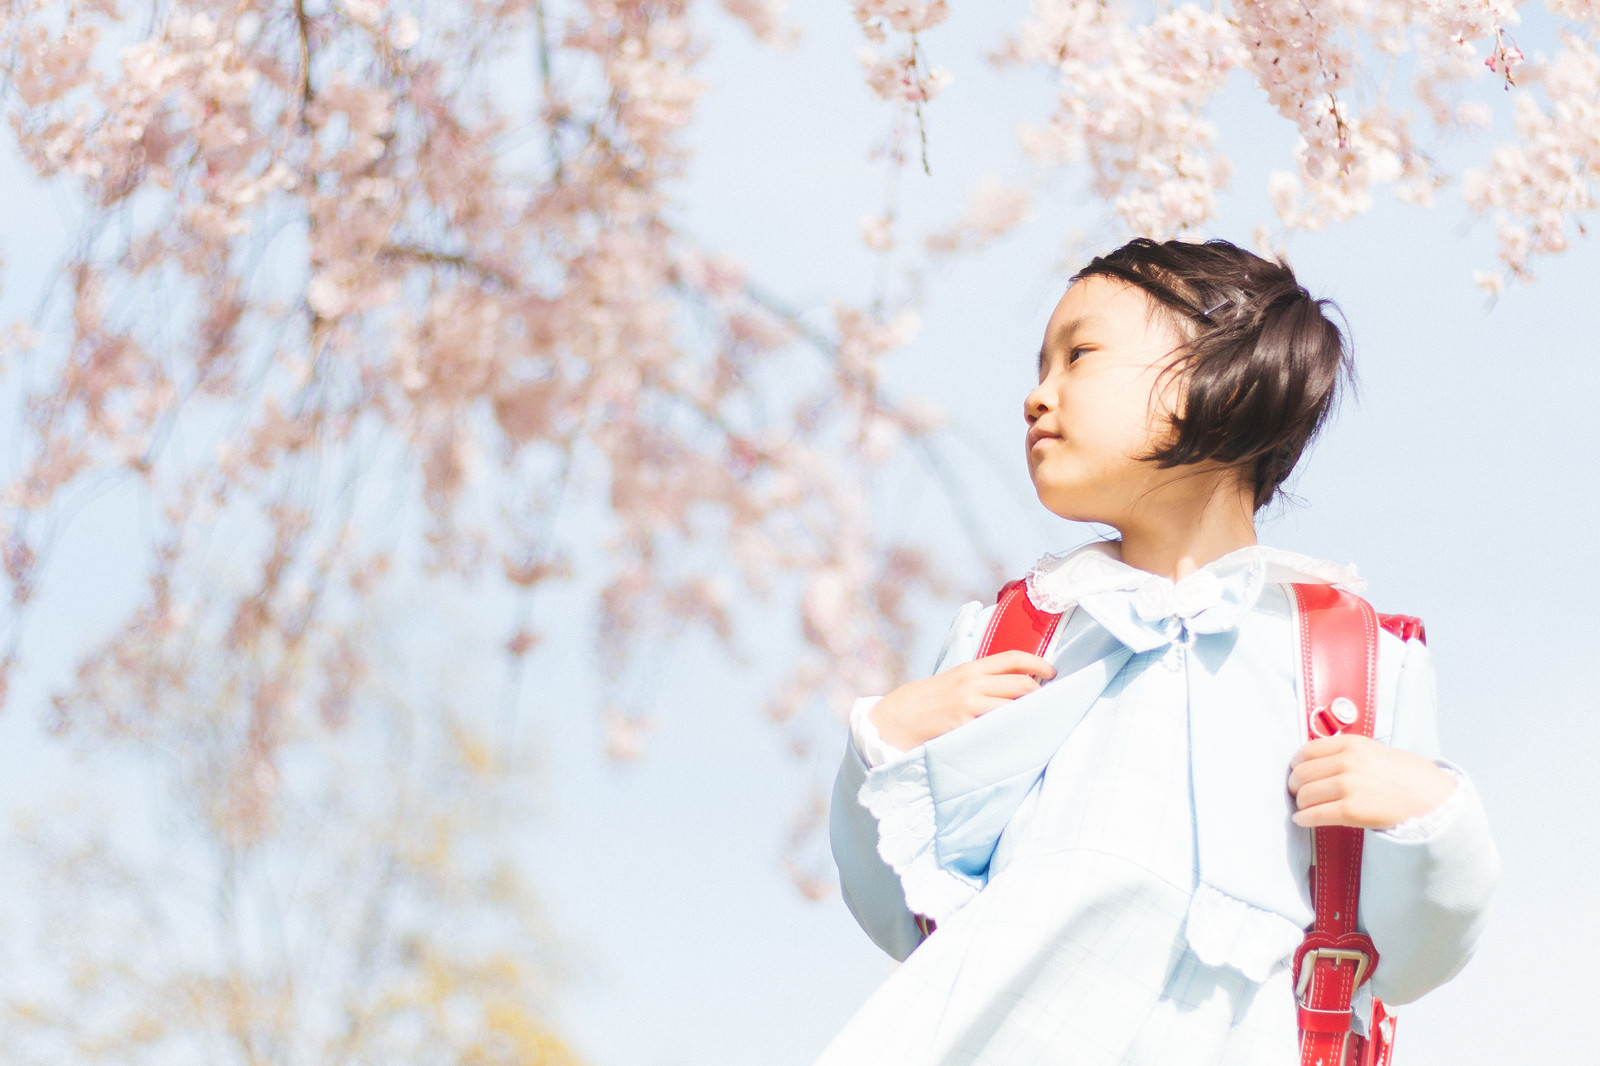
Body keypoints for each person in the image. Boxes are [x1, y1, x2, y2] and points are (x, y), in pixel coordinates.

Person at [818, 238, 1498, 1065]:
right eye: (1041, 365)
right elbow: (907, 914)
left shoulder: (1352, 664)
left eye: (1081, 355)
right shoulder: (1019, 636)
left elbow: (1413, 952)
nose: (1039, 396)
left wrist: (1432, 819)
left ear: (1224, 379)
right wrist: (884, 745)